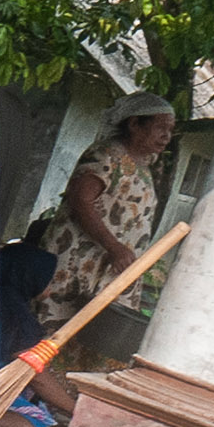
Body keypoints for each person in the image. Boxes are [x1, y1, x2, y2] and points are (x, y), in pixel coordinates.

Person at [44, 90, 175, 326]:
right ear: (135, 124)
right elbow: (80, 200)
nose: (167, 136)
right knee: (57, 331)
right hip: (78, 262)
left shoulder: (145, 166)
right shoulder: (106, 155)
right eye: (161, 127)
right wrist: (113, 246)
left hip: (110, 269)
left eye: (170, 130)